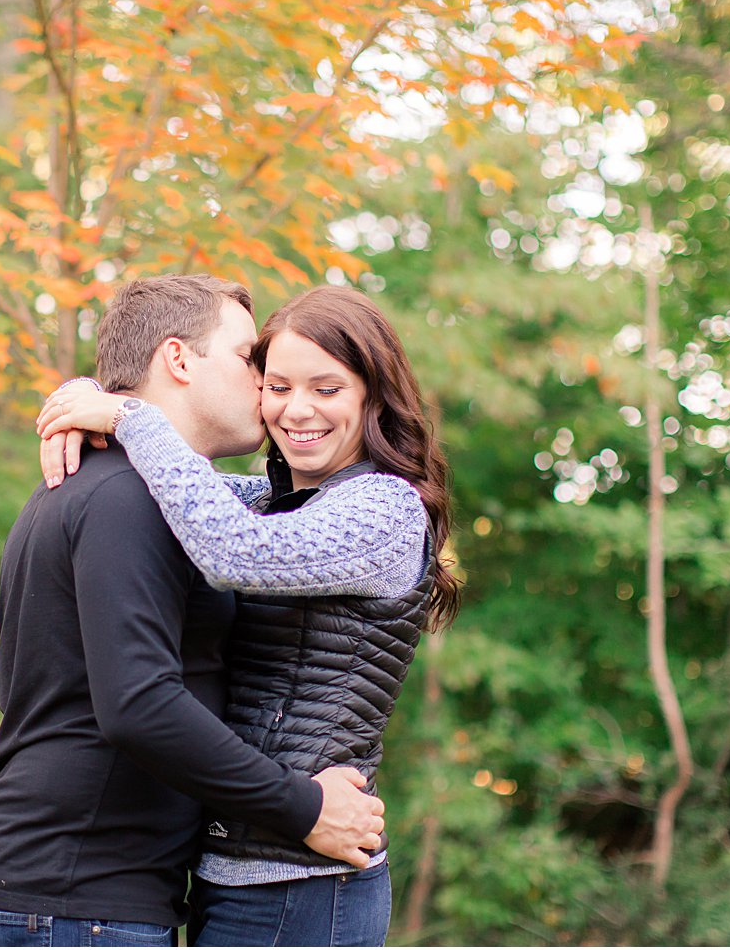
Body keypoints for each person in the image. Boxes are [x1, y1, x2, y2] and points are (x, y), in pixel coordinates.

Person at [0, 276, 387, 948]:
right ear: (179, 359)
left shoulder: (147, 490)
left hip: (85, 881)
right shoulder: (129, 497)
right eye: (251, 359)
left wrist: (105, 405)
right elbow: (138, 703)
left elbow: (240, 521)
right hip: (80, 887)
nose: (266, 385)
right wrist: (304, 806)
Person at [36, 284, 460, 947]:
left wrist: (127, 415)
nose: (296, 409)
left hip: (305, 879)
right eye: (277, 384)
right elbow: (181, 486)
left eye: (327, 389)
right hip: (236, 869)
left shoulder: (385, 510)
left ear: (373, 395)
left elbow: (231, 547)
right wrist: (90, 400)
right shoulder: (282, 499)